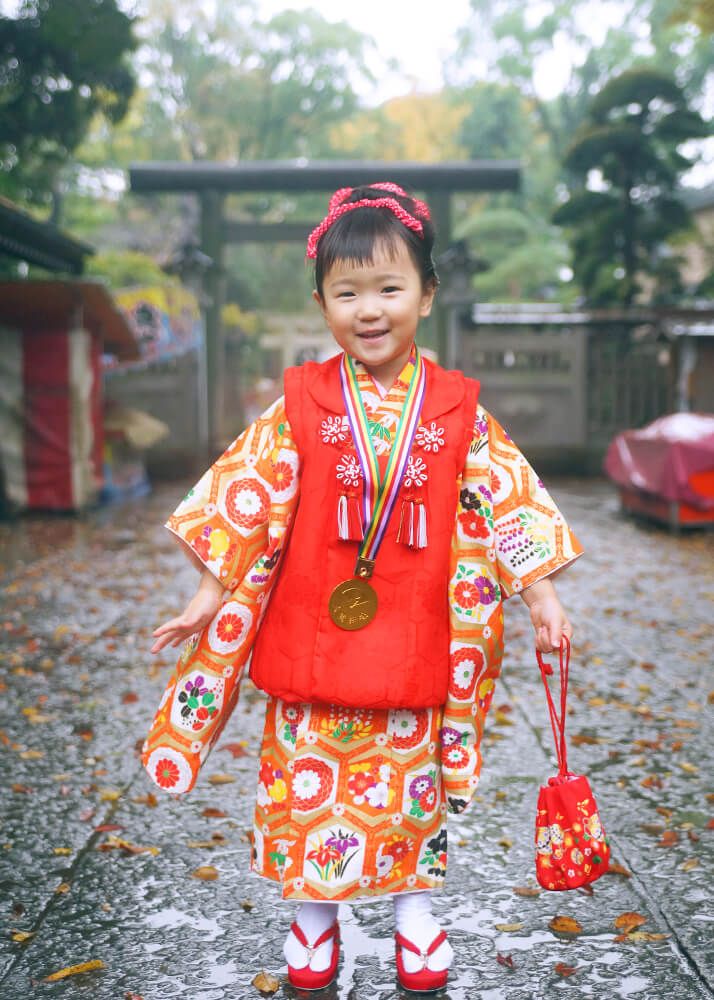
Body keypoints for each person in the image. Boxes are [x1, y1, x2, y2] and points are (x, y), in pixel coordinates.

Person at [144, 183, 582, 992]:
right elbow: (250, 495)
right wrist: (211, 591)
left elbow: (504, 497)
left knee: (410, 785)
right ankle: (312, 915)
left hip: (414, 631)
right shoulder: (301, 403)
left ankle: (417, 911)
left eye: (390, 288)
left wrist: (541, 596)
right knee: (304, 773)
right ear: (321, 303)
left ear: (427, 293)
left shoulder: (457, 409)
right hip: (314, 626)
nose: (369, 310)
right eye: (347, 293)